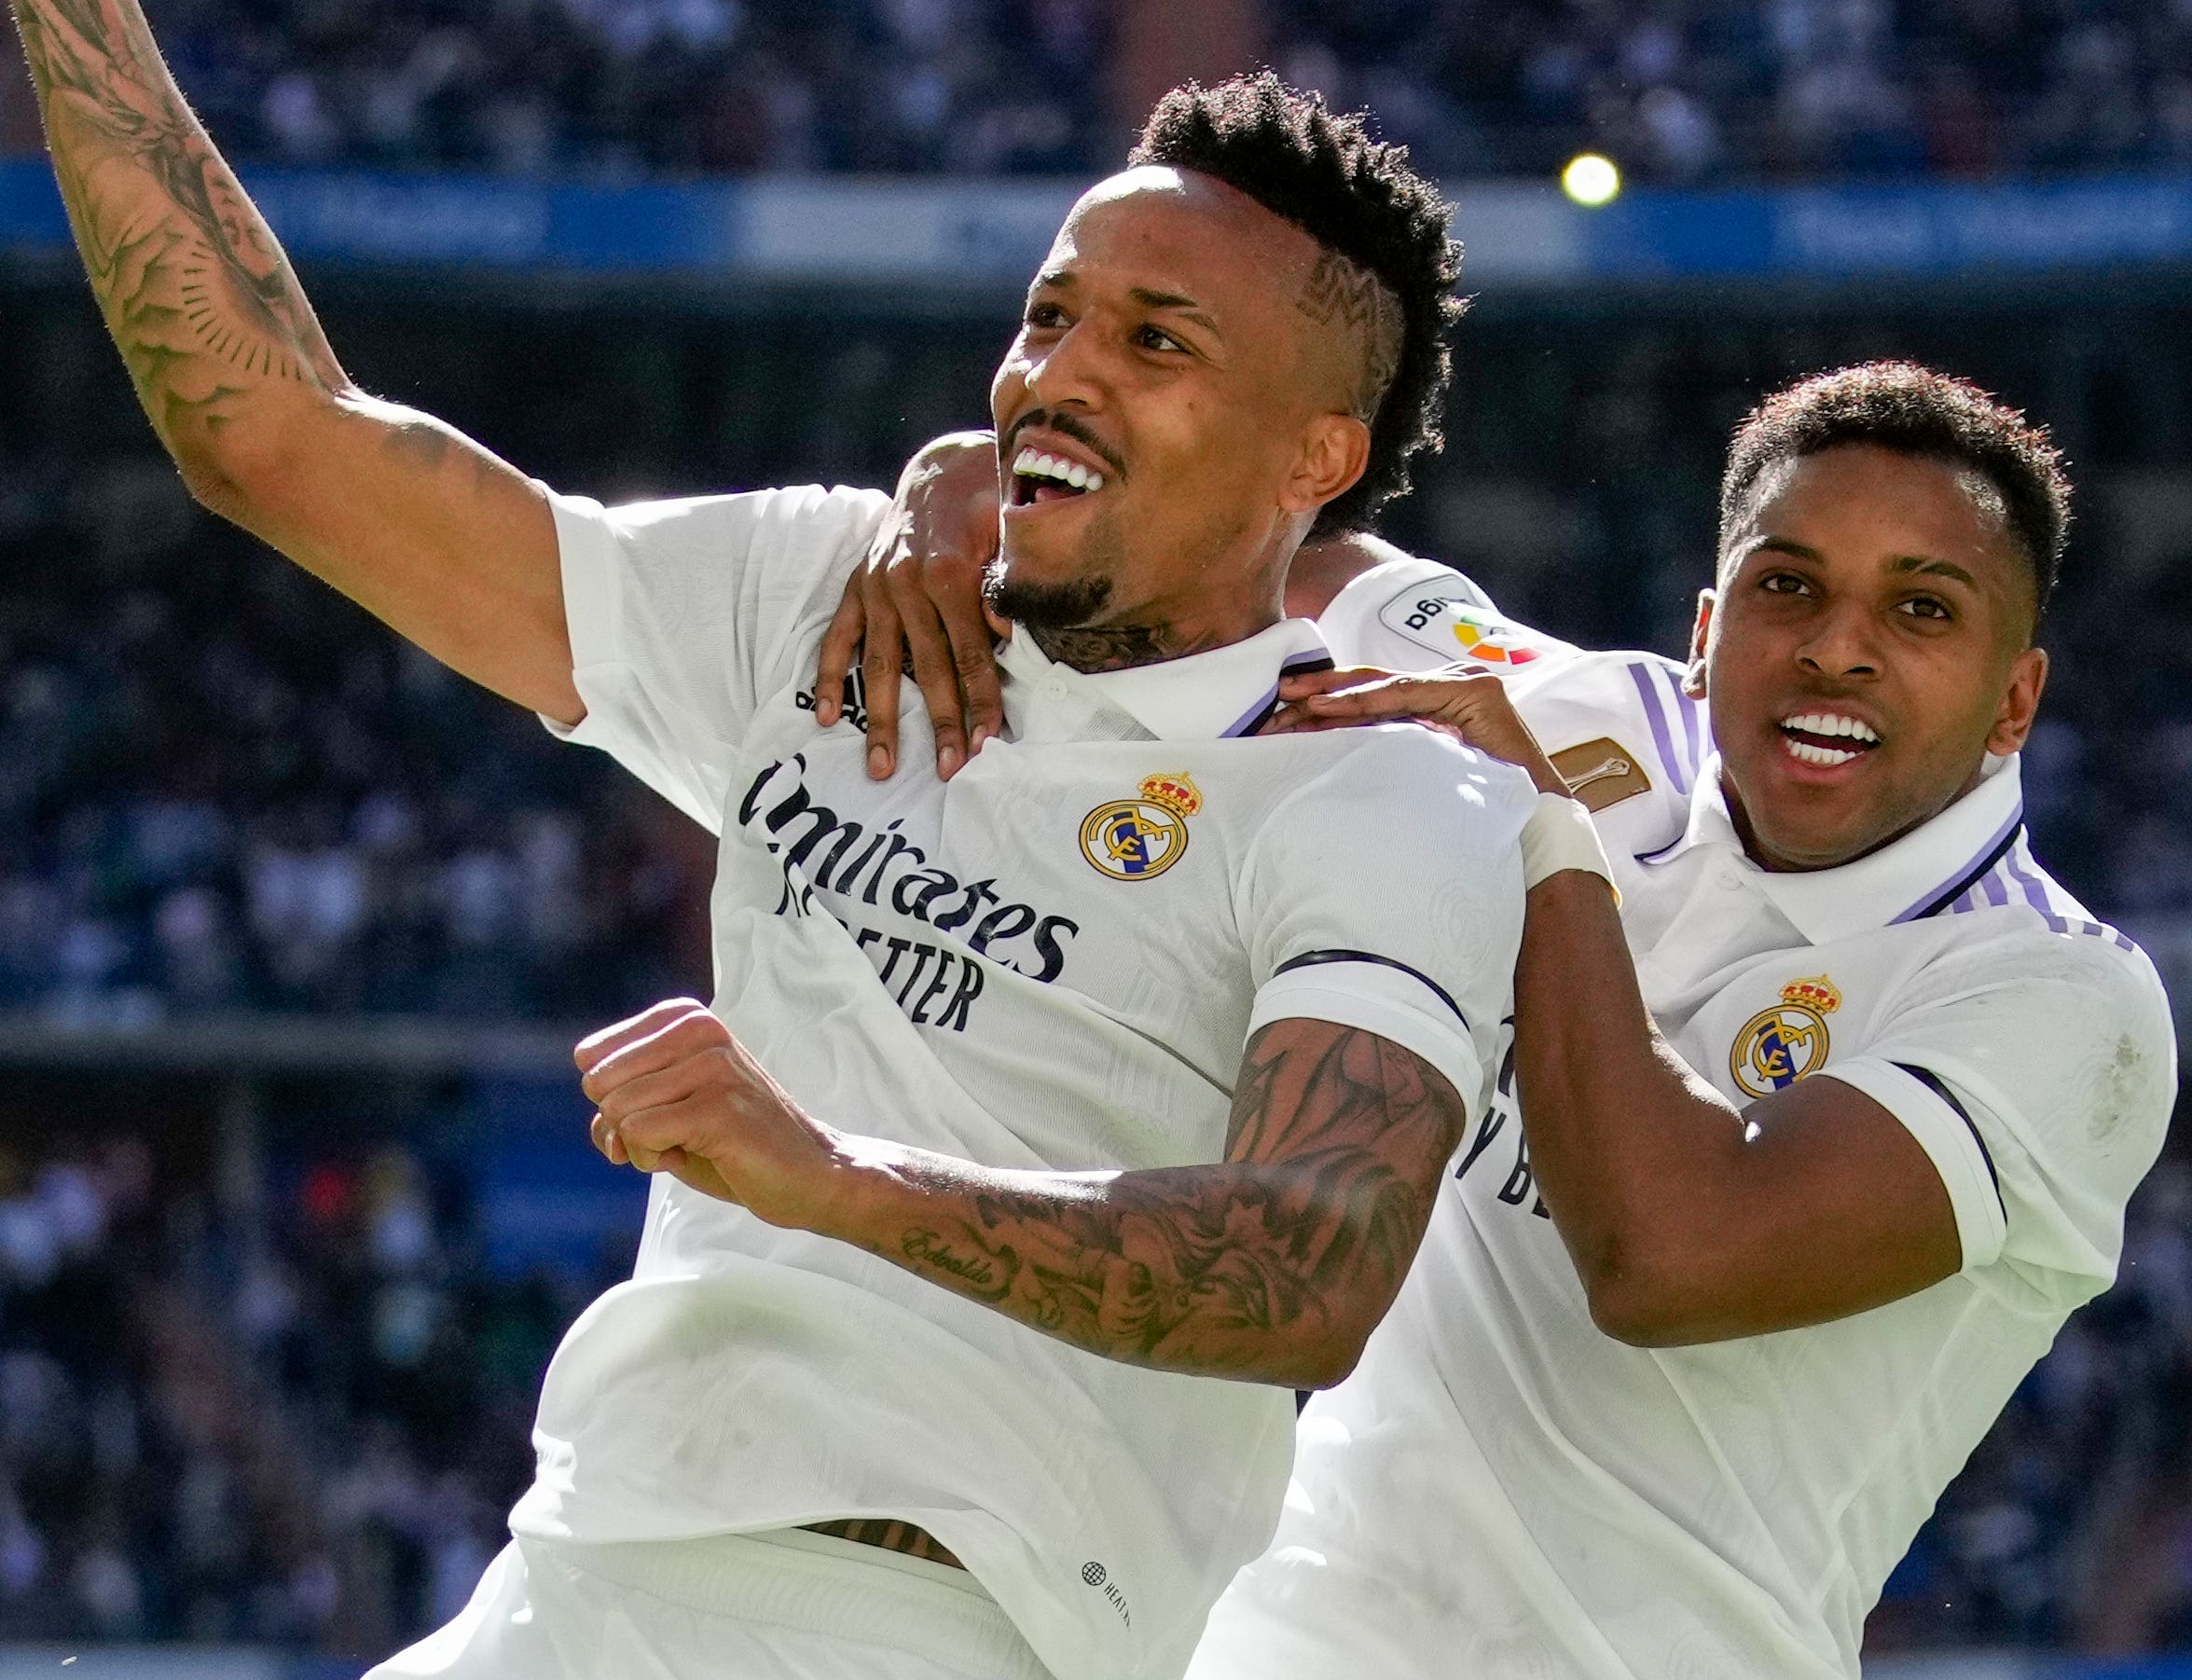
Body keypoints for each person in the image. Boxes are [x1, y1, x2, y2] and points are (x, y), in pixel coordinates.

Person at [13, 16, 1537, 1675]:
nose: (1057, 372)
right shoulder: (836, 604)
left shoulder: (1380, 788)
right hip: (573, 1568)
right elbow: (280, 442)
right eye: (1050, 314)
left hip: (943, 1621)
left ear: (1316, 456)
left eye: (1157, 342)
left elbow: (1307, 1264)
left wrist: (838, 1182)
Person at [827, 362, 2178, 1679]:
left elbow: (1665, 1254)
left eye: (1923, 611)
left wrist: (1541, 834)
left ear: (2015, 700)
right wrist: (968, 490)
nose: (1837, 647)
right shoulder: (1598, 714)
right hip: (1280, 1632)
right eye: (1790, 588)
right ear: (1708, 633)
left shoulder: (2064, 1002)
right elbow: (1233, 548)